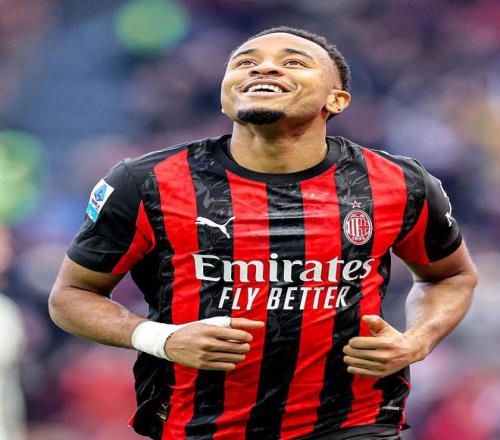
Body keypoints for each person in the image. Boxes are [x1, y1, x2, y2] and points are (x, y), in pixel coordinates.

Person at [49, 26, 478, 440]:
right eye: (244, 63)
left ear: (336, 99)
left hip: (354, 423)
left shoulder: (399, 183)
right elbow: (71, 296)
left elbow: (451, 276)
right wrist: (162, 338)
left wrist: (417, 341)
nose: (264, 68)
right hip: (197, 426)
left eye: (293, 62)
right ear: (226, 94)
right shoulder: (145, 182)